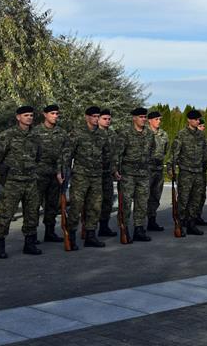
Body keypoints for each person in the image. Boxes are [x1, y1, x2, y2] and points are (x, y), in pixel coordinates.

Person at [0, 106, 43, 258]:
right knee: (6, 214)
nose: (29, 118)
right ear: (18, 117)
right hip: (12, 182)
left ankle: (29, 244)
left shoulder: (35, 136)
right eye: (26, 115)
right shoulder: (8, 135)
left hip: (31, 181)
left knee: (32, 213)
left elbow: (38, 157)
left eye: (31, 115)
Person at [64, 106, 109, 249]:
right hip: (80, 176)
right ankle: (70, 235)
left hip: (96, 176)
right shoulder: (77, 133)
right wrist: (63, 172)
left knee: (95, 207)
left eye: (98, 116)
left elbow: (106, 155)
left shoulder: (102, 135)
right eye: (94, 116)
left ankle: (90, 235)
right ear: (87, 117)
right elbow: (67, 154)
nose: (96, 119)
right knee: (76, 207)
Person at [113, 107, 156, 243]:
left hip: (143, 174)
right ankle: (124, 228)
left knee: (142, 203)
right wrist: (115, 170)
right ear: (134, 118)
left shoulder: (149, 134)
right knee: (125, 203)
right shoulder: (125, 133)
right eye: (141, 117)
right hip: (128, 174)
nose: (143, 119)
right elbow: (117, 153)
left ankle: (139, 229)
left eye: (145, 117)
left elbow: (152, 151)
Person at [32, 104, 68, 244]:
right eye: (52, 113)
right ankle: (32, 235)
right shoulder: (35, 132)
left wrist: (61, 171)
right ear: (45, 114)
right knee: (33, 206)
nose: (55, 116)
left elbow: (64, 154)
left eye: (57, 113)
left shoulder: (61, 133)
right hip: (38, 175)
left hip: (55, 175)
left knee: (52, 205)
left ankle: (50, 232)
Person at [170, 109, 207, 236]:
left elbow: (204, 151)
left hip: (198, 172)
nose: (198, 121)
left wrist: (203, 165)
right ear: (189, 120)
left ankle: (191, 224)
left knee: (196, 200)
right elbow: (175, 152)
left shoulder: (201, 135)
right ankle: (180, 224)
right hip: (186, 172)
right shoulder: (181, 134)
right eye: (196, 119)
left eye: (199, 120)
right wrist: (171, 168)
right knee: (183, 200)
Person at [146, 110, 170, 232]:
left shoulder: (163, 134)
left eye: (160, 119)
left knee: (155, 196)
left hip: (159, 168)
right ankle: (138, 224)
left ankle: (152, 221)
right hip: (147, 169)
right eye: (156, 119)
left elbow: (165, 150)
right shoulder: (144, 133)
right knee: (144, 196)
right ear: (149, 120)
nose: (159, 121)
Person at [97, 108, 117, 237]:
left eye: (109, 119)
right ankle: (89, 230)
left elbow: (116, 155)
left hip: (108, 173)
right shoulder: (93, 133)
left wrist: (115, 170)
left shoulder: (113, 135)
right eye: (104, 119)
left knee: (107, 201)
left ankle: (104, 227)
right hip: (94, 174)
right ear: (98, 119)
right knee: (93, 203)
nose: (107, 121)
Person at [196, 118, 207, 225]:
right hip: (192, 172)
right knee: (191, 196)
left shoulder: (205, 139)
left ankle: (197, 215)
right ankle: (187, 218)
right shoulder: (190, 138)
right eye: (200, 126)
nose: (203, 128)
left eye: (204, 126)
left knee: (201, 195)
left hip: (202, 171)